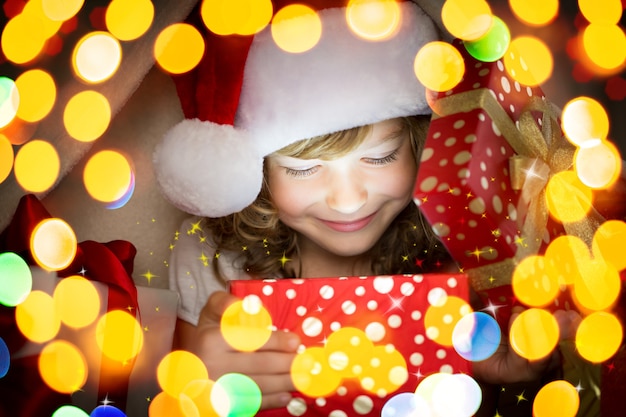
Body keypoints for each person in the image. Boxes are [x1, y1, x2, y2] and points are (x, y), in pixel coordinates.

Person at [154, 1, 579, 413]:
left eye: (380, 157)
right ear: (257, 173)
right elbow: (180, 393)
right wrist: (198, 386)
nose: (349, 200)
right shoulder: (211, 257)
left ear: (418, 143)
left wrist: (489, 374)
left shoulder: (471, 249)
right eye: (304, 170)